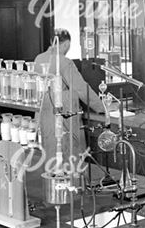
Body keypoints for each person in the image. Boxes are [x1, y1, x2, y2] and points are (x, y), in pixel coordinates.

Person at [32, 29, 106, 177]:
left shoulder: (39, 58)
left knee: (50, 154)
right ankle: (71, 188)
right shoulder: (64, 62)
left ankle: (52, 186)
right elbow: (80, 88)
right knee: (69, 155)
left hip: (43, 113)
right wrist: (101, 107)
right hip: (62, 115)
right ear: (66, 44)